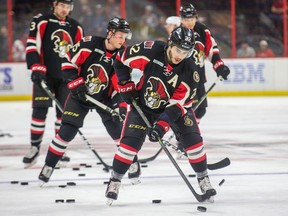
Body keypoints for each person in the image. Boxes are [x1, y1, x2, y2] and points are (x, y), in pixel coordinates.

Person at [105, 26, 228, 205]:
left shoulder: (190, 71)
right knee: (128, 146)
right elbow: (120, 60)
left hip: (175, 111)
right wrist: (125, 85)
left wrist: (161, 126)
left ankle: (203, 179)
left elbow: (177, 106)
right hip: (144, 106)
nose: (180, 55)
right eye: (178, 50)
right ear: (170, 44)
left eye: (185, 52)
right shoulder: (151, 50)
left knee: (194, 142)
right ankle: (115, 180)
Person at [38, 17, 141, 185]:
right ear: (110, 33)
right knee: (66, 132)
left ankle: (133, 162)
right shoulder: (89, 44)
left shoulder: (123, 56)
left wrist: (120, 107)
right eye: (119, 36)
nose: (122, 40)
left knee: (118, 131)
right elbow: (67, 63)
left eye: (125, 37)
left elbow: (119, 85)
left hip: (105, 98)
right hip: (81, 95)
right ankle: (48, 165)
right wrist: (76, 84)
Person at [23, 0, 84, 168]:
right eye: (62, 6)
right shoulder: (42, 20)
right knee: (39, 111)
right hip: (45, 75)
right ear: (55, 5)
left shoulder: (76, 27)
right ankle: (34, 147)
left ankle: (59, 149)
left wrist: (78, 77)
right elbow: (32, 44)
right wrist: (36, 67)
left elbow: (81, 55)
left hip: (66, 78)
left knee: (63, 115)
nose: (65, 10)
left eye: (68, 7)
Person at [180, 3, 230, 124]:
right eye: (186, 19)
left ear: (196, 17)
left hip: (199, 77)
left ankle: (191, 130)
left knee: (200, 110)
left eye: (192, 18)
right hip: (182, 79)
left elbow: (211, 49)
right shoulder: (177, 33)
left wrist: (219, 66)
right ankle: (184, 133)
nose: (190, 22)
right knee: (184, 109)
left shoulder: (202, 30)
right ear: (181, 19)